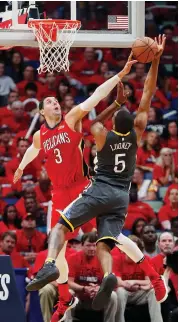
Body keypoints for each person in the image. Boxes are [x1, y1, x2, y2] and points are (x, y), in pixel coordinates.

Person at [26, 35, 168, 310]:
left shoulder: (102, 136)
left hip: (96, 189)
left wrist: (113, 104)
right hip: (121, 197)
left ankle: (51, 265)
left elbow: (90, 123)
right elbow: (148, 95)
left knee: (60, 226)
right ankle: (130, 277)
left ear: (113, 124)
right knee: (108, 242)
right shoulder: (138, 132)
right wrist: (157, 59)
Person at [13, 59, 135, 322]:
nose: (55, 102)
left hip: (82, 188)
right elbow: (34, 149)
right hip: (58, 193)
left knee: (99, 234)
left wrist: (120, 75)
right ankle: (64, 297)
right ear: (42, 113)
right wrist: (22, 167)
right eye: (49, 102)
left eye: (56, 100)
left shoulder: (72, 119)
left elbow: (95, 96)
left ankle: (134, 268)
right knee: (56, 246)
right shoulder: (40, 136)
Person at [114, 235, 163, 322]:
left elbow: (149, 281)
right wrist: (129, 284)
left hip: (139, 293)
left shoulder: (145, 259)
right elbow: (118, 281)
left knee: (154, 291)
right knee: (120, 291)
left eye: (134, 249)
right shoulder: (116, 259)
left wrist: (134, 282)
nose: (131, 251)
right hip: (125, 292)